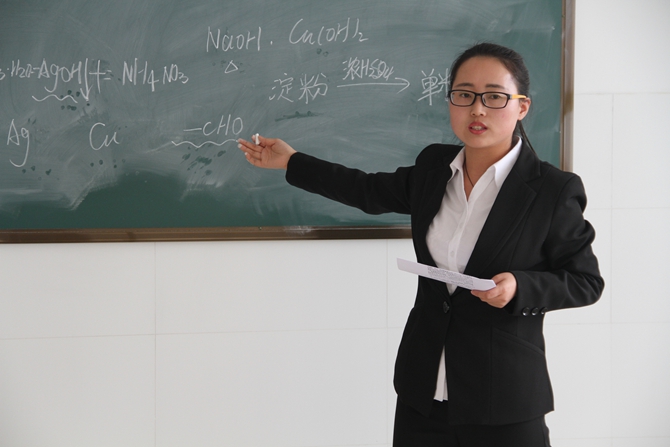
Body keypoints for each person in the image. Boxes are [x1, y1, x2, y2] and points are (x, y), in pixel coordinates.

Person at [237, 42, 603, 447]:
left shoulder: (552, 190)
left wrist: (520, 287)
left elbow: (586, 281)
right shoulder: (434, 168)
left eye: (494, 97)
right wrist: (292, 161)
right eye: (464, 95)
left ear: (522, 107)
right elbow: (367, 190)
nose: (477, 109)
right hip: (422, 394)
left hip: (503, 400)